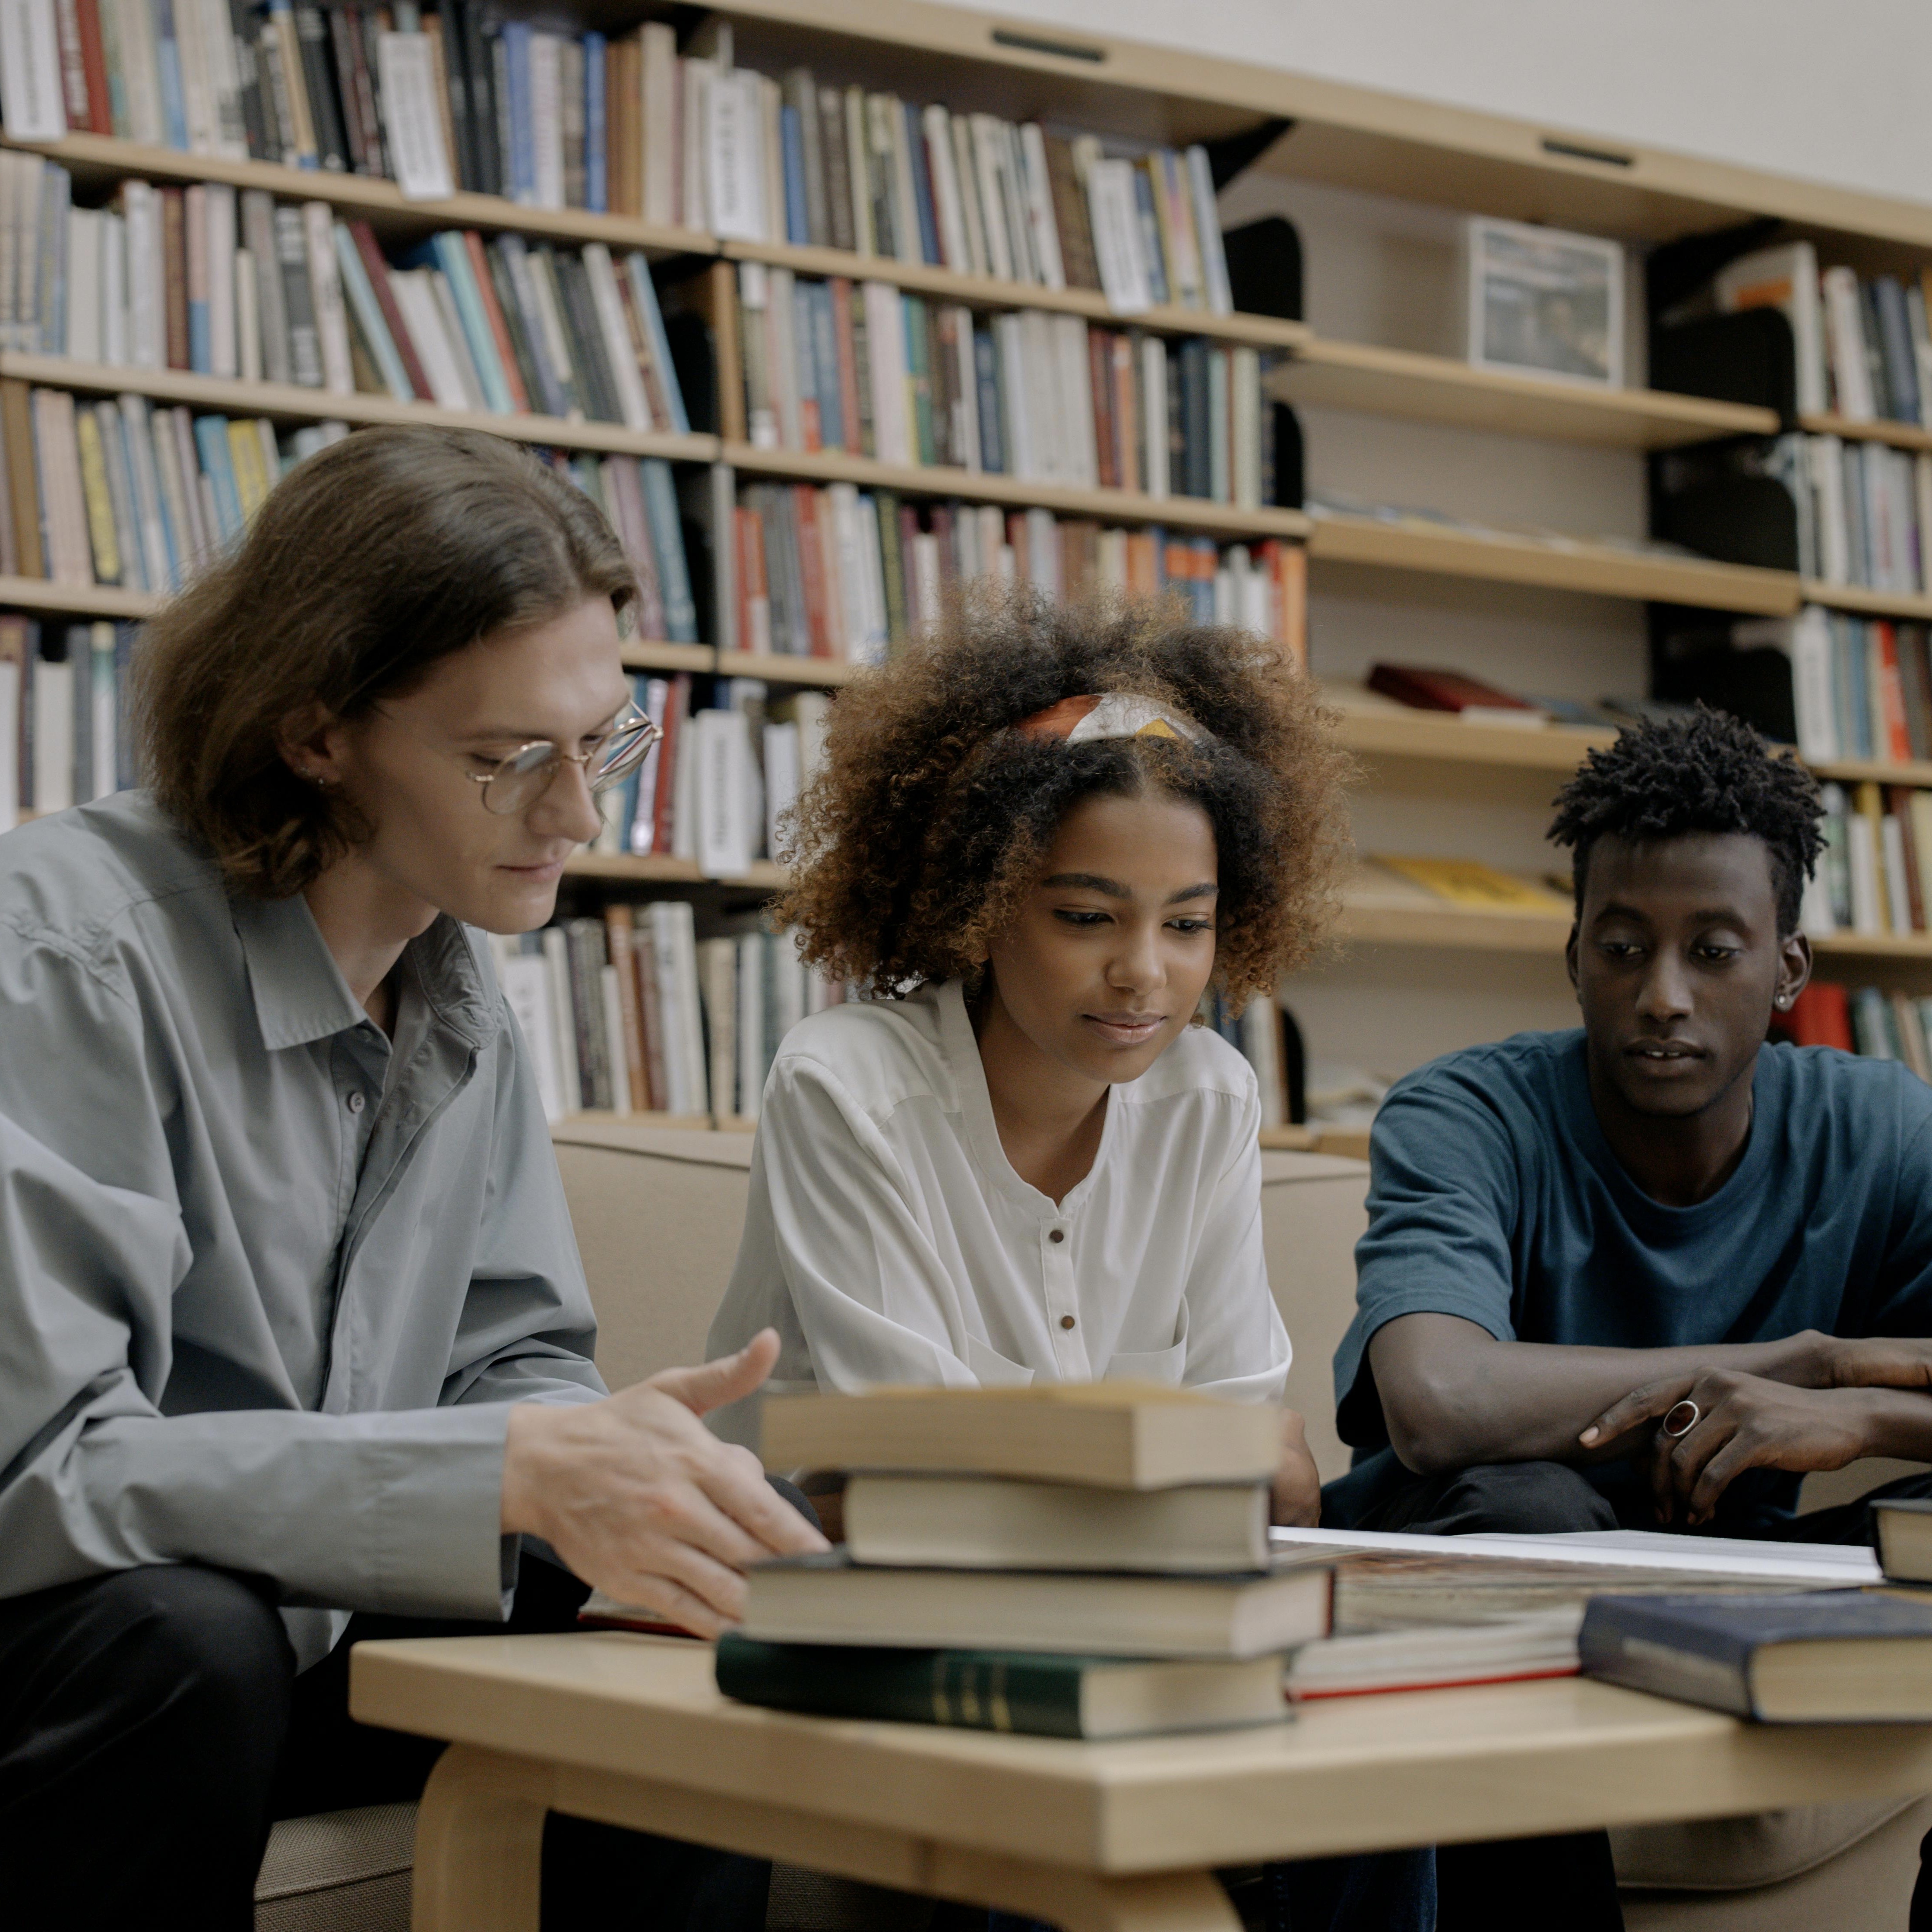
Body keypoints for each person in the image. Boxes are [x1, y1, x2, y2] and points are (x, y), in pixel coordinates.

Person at [0, 425, 825, 1932]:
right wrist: (501, 1473)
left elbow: (509, 1355)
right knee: (194, 1636)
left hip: (289, 1622)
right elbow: (44, 1474)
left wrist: (605, 1458)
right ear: (317, 732)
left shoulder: (453, 986)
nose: (580, 816)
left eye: (608, 741)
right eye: (513, 757)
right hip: (86, 1633)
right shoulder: (63, 954)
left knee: (690, 1569)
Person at [705, 589, 1432, 1932]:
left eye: (1186, 923)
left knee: (1378, 1766)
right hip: (859, 1617)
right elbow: (897, 1489)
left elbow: (1258, 1488)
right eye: (1087, 914)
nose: (1143, 975)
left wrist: (1175, 1469)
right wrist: (1183, 1463)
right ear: (982, 902)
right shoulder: (843, 1087)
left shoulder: (1209, 1097)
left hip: (1123, 1612)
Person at [1326, 706, 1932, 1930]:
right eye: (1620, 946)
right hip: (1468, 1550)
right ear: (1571, 955)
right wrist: (1792, 1361)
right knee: (1531, 1513)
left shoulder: (1879, 1126)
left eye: (1712, 950)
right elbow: (1441, 1403)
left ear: (1787, 971)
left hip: (1732, 1578)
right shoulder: (1464, 1113)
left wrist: (1853, 1410)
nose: (1661, 995)